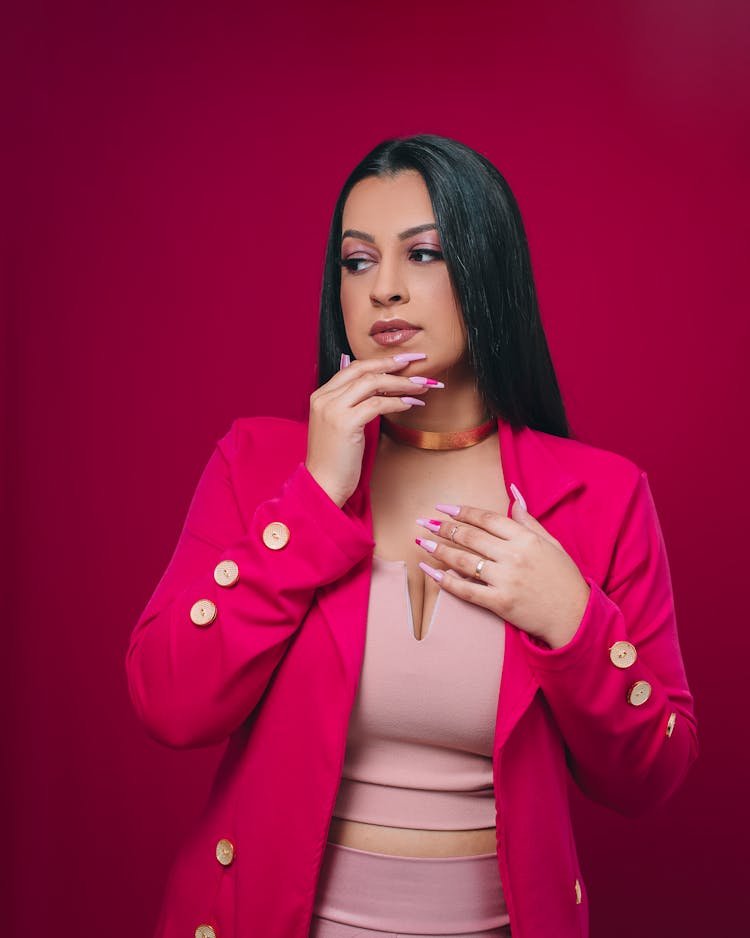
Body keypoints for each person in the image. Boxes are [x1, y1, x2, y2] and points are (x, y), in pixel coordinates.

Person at [126, 134, 697, 938]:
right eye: (357, 263)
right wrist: (313, 501)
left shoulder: (602, 495)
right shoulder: (257, 465)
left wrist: (574, 620)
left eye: (422, 254)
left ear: (487, 272)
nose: (384, 290)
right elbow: (168, 703)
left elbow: (650, 778)